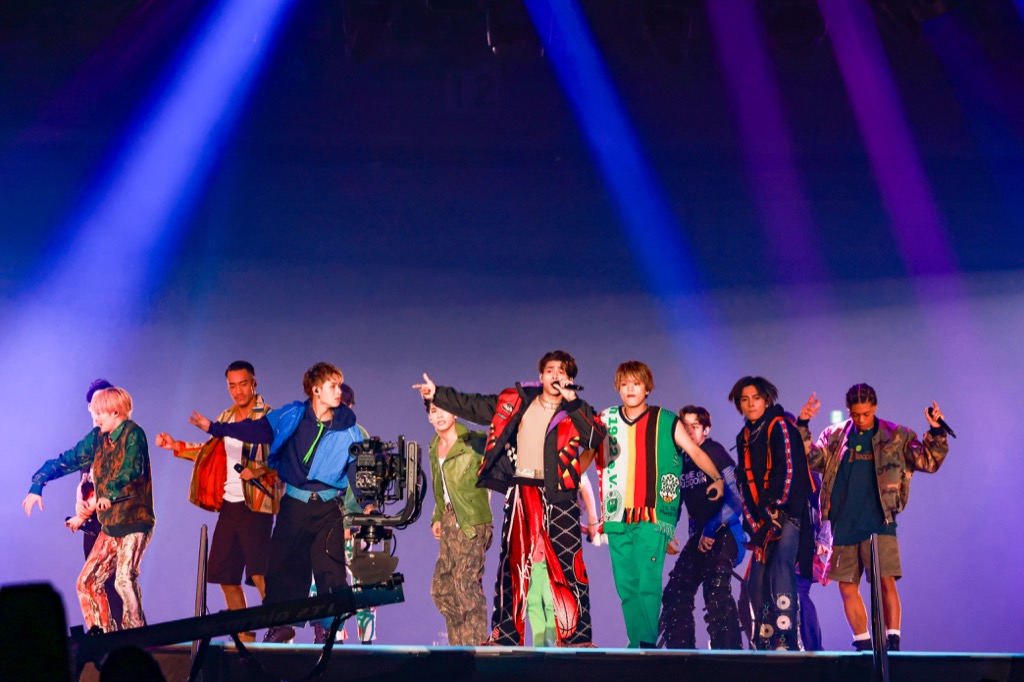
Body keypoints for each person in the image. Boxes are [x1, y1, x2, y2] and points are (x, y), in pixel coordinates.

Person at [414, 350, 606, 646]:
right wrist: (438, 394)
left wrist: (573, 401)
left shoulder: (576, 409)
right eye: (550, 370)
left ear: (570, 378)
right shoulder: (517, 400)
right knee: (512, 565)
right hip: (523, 487)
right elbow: (476, 405)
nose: (555, 375)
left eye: (562, 371)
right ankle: (505, 635)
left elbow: (595, 438)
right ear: (541, 375)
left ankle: (577, 637)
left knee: (570, 564)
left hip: (560, 493)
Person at [189, 362, 363, 644]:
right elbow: (257, 429)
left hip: (329, 509)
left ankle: (329, 629)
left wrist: (367, 504)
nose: (338, 391)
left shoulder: (350, 430)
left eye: (339, 386)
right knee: (282, 569)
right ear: (316, 390)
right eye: (332, 386)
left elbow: (357, 471)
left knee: (330, 572)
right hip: (294, 505)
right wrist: (214, 427)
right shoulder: (292, 415)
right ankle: (281, 625)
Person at [797, 383, 950, 652]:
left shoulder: (896, 435)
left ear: (875, 407)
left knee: (885, 581)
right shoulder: (834, 436)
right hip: (842, 524)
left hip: (880, 522)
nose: (861, 419)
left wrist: (937, 430)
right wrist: (803, 424)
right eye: (855, 414)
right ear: (848, 411)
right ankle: (863, 643)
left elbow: (929, 461)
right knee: (846, 587)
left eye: (866, 414)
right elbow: (809, 459)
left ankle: (893, 641)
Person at [597, 362, 725, 648]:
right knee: (626, 586)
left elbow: (694, 451)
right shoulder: (607, 419)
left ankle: (644, 646)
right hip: (616, 513)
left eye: (636, 383)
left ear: (647, 387)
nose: (630, 389)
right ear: (618, 387)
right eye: (624, 384)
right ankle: (638, 644)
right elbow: (592, 455)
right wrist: (570, 485)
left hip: (652, 514)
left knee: (648, 583)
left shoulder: (666, 420)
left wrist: (716, 477)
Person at [155, 361, 278, 642]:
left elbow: (283, 461)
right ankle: (245, 637)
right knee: (225, 574)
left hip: (257, 503)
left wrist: (260, 471)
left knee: (260, 573)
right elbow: (209, 453)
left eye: (243, 384)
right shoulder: (226, 417)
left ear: (254, 383)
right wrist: (176, 446)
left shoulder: (269, 417)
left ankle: (281, 631)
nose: (238, 391)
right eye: (232, 386)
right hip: (229, 504)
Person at [23, 387, 156, 632]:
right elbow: (68, 459)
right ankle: (103, 635)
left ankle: (137, 634)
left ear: (115, 412)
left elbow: (131, 468)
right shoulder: (97, 438)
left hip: (134, 521)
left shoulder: (133, 433)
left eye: (99, 413)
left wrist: (108, 493)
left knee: (124, 579)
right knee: (87, 582)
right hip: (111, 526)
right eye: (94, 412)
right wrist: (38, 483)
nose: (95, 418)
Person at [728, 376, 811, 650]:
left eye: (756, 398)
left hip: (786, 514)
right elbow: (744, 484)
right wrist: (756, 521)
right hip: (762, 521)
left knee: (781, 570)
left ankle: (787, 639)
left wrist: (774, 508)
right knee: (757, 580)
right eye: (744, 400)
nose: (751, 404)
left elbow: (788, 471)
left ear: (766, 400)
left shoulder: (780, 426)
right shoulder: (744, 436)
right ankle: (765, 638)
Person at [659, 405, 745, 650]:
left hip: (726, 530)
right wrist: (667, 531)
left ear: (706, 430)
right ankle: (682, 655)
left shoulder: (715, 452)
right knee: (675, 593)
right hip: (700, 537)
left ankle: (729, 655)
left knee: (715, 590)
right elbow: (675, 503)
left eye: (694, 427)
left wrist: (710, 530)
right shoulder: (679, 460)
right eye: (684, 427)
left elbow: (736, 502)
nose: (688, 431)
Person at [426, 400, 493, 646]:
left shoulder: (474, 441)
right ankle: (460, 646)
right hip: (449, 519)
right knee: (442, 588)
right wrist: (437, 516)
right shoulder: (434, 446)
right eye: (434, 411)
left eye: (444, 409)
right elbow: (441, 487)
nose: (439, 415)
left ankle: (475, 647)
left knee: (465, 583)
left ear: (455, 412)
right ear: (429, 418)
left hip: (471, 519)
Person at [64, 379, 124, 626]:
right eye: (94, 404)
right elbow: (85, 482)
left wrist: (91, 507)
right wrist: (80, 507)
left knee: (114, 585)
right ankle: (107, 638)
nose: (98, 409)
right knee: (96, 587)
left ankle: (130, 640)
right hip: (92, 528)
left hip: (116, 526)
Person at [527, 472, 599, 647]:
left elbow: (583, 482)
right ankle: (543, 646)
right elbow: (583, 482)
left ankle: (552, 645)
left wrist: (589, 519)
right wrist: (591, 518)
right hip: (537, 532)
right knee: (536, 595)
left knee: (552, 595)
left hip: (551, 536)